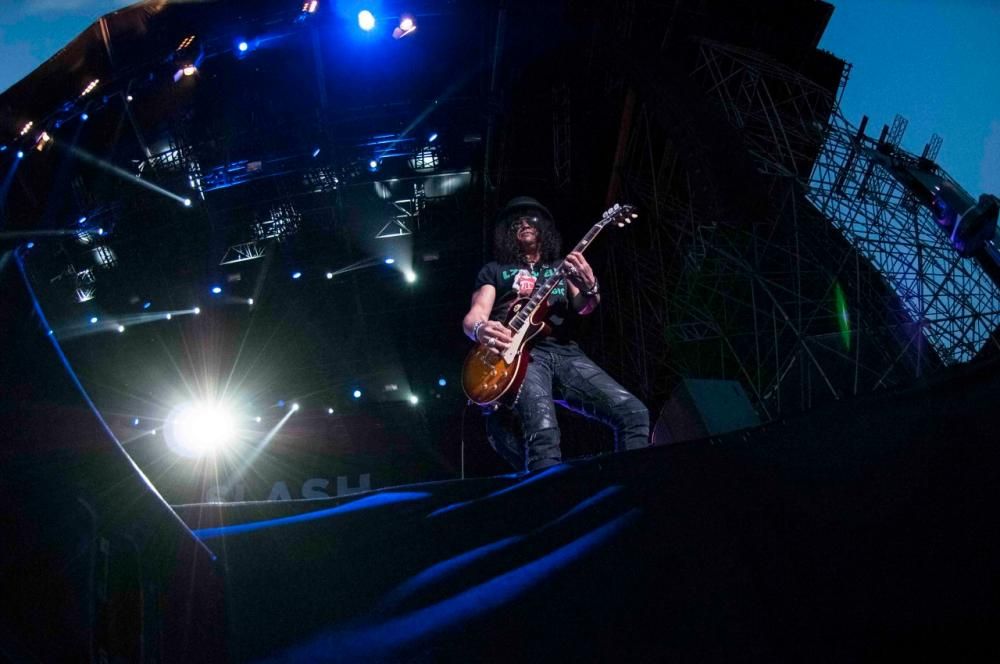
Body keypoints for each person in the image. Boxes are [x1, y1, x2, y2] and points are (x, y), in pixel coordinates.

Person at [462, 196, 650, 472]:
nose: (524, 224)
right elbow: (474, 315)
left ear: (544, 228)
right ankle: (549, 495)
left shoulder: (563, 267)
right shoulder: (494, 270)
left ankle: (634, 488)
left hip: (565, 352)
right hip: (519, 357)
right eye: (516, 222)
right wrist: (481, 328)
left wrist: (590, 286)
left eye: (531, 219)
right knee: (543, 434)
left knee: (634, 413)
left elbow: (585, 307)